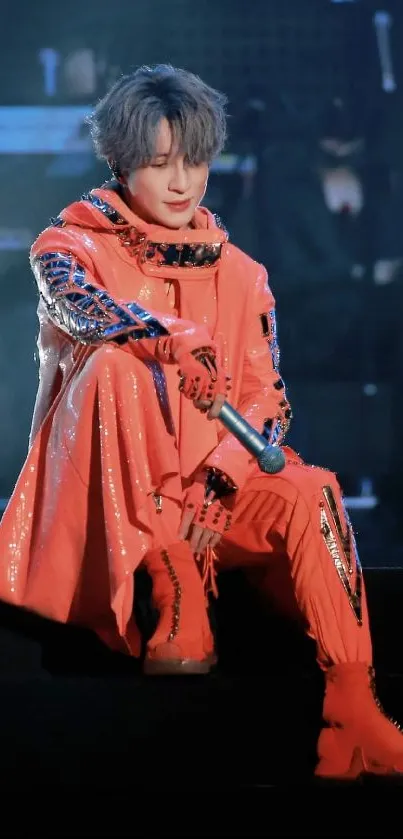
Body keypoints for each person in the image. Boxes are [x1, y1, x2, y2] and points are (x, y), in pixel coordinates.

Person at [0, 64, 401, 781]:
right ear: (122, 163)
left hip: (211, 498)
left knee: (313, 489)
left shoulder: (243, 272)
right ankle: (169, 575)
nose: (183, 182)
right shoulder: (69, 247)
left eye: (195, 160)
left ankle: (352, 705)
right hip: (113, 508)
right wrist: (166, 337)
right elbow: (78, 308)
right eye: (160, 164)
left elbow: (267, 398)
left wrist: (223, 477)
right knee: (115, 365)